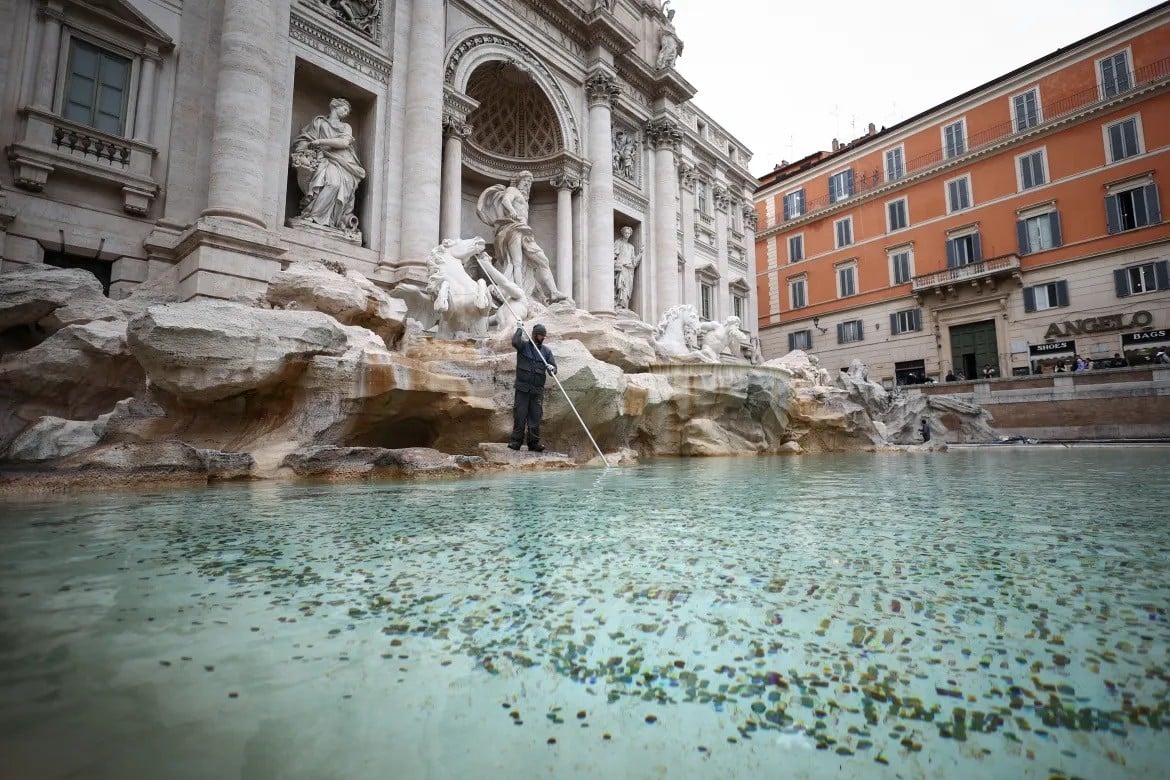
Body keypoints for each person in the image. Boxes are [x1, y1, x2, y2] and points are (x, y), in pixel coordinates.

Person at [476, 171, 570, 305]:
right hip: (513, 228)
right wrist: (512, 211)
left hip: (525, 232)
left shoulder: (525, 200)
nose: (527, 185)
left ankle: (554, 292)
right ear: (518, 181)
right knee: (517, 262)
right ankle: (520, 293)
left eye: (529, 183)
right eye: (525, 181)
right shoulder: (512, 190)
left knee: (543, 260)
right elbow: (505, 200)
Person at [290, 98, 367, 232]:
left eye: (348, 111)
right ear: (335, 107)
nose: (346, 113)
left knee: (335, 184)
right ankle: (313, 217)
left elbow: (344, 143)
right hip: (322, 158)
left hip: (343, 162)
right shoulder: (318, 122)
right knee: (331, 183)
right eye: (344, 109)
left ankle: (323, 219)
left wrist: (320, 141)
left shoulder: (346, 127)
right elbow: (305, 139)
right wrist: (303, 152)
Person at [509, 322, 557, 452]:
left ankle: (533, 443)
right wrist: (519, 329)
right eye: (541, 335)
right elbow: (514, 342)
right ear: (535, 335)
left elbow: (554, 370)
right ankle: (516, 442)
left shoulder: (546, 352)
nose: (542, 338)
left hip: (537, 391)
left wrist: (552, 368)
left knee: (535, 417)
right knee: (520, 415)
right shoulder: (523, 346)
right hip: (522, 389)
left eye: (544, 336)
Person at [613, 227, 642, 310]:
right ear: (623, 233)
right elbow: (613, 255)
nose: (627, 235)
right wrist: (616, 264)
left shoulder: (631, 247)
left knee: (628, 289)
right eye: (625, 233)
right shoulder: (618, 242)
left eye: (628, 233)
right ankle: (619, 305)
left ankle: (625, 306)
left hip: (629, 270)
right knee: (621, 286)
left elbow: (634, 262)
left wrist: (640, 253)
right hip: (621, 268)